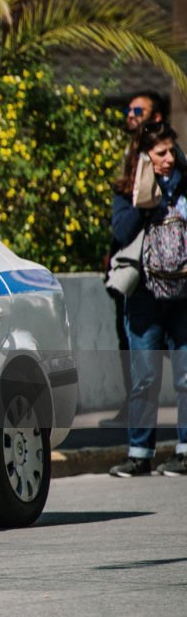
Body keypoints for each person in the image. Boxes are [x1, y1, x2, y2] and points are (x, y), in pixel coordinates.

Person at [109, 120, 187, 476]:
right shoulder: (127, 192)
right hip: (144, 297)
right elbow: (120, 233)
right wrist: (144, 201)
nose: (168, 159)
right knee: (145, 377)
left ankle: (185, 451)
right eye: (161, 153)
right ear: (144, 157)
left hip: (183, 296)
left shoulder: (185, 186)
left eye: (172, 151)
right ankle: (140, 453)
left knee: (186, 377)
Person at [101, 91, 171, 427]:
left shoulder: (173, 166)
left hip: (172, 278)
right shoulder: (130, 163)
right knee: (135, 352)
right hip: (137, 278)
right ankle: (139, 436)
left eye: (137, 110)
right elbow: (122, 224)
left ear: (156, 118)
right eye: (128, 110)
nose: (129, 115)